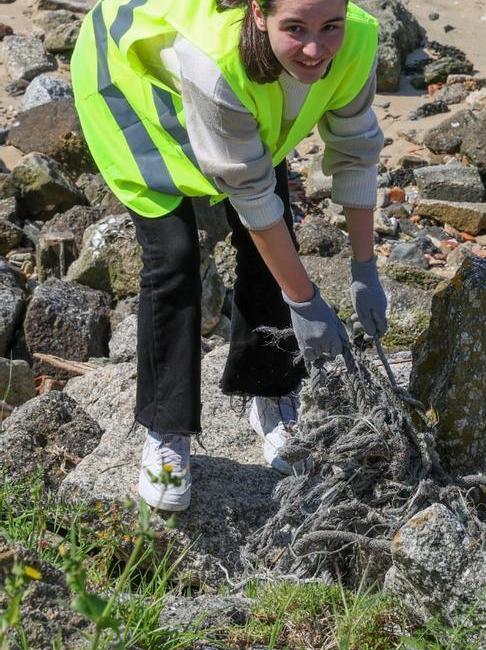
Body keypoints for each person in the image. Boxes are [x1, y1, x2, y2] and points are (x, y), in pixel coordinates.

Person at [71, 0, 389, 512]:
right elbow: (253, 198)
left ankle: (271, 391)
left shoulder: (354, 41)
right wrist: (305, 303)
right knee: (173, 257)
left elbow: (355, 150)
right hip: (129, 84)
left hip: (235, 102)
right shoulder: (214, 58)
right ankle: (165, 431)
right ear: (260, 15)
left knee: (272, 234)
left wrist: (364, 268)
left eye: (330, 26)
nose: (315, 49)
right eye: (296, 29)